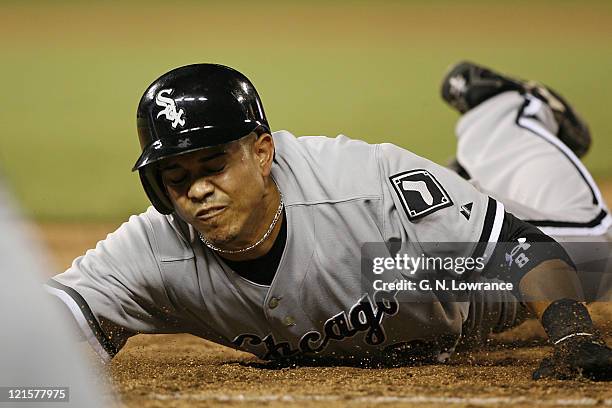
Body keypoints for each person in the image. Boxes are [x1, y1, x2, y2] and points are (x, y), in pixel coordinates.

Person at [46, 63, 612, 380]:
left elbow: (520, 246)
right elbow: (58, 315)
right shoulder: (156, 250)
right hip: (400, 249)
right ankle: (463, 175)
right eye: (175, 176)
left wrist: (573, 333)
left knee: (594, 250)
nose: (196, 189)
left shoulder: (361, 192)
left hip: (451, 280)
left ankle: (505, 113)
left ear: (262, 152)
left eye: (213, 164)